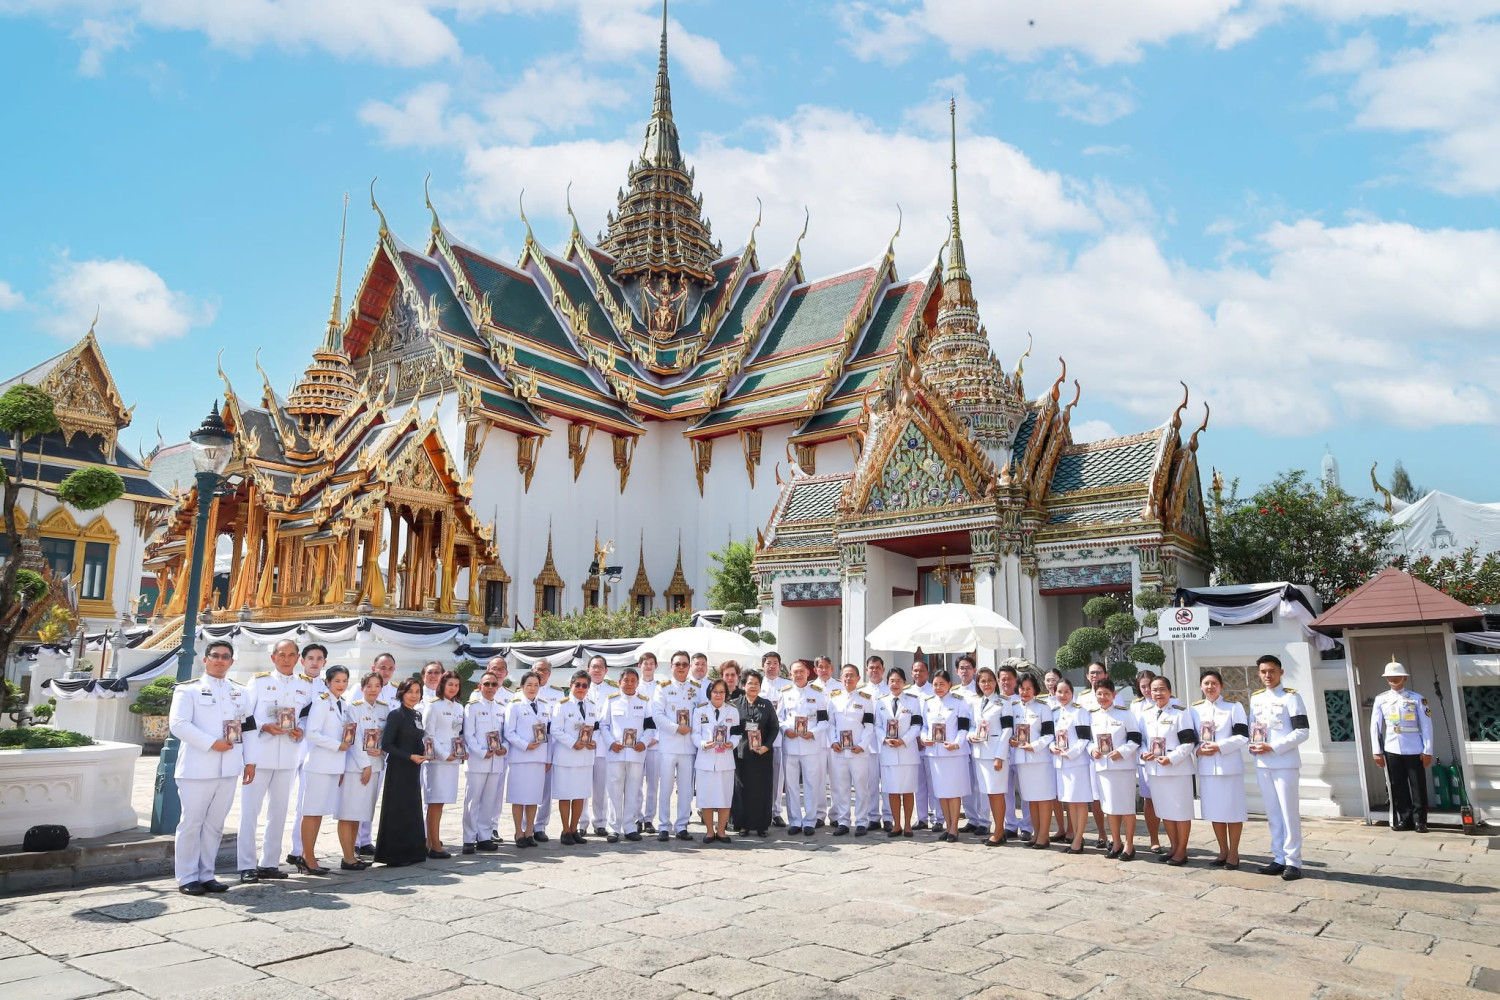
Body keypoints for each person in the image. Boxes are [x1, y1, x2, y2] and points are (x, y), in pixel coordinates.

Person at [169, 640, 248, 895]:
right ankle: (187, 877)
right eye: (215, 656)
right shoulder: (188, 690)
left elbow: (247, 727)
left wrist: (250, 761)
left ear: (231, 662)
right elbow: (179, 725)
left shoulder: (239, 692)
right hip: (197, 767)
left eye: (225, 657)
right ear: (205, 659)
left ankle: (207, 874)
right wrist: (211, 743)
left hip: (228, 768)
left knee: (215, 825)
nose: (220, 660)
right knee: (191, 823)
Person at [238, 638, 312, 883]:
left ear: (297, 658)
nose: (287, 659)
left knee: (279, 812)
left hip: (288, 755)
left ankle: (269, 862)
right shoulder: (260, 682)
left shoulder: (305, 685)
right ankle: (247, 865)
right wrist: (264, 726)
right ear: (273, 657)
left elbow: (304, 717)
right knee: (250, 812)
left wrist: (300, 729)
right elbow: (245, 717)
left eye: (292, 655)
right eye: (282, 655)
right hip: (259, 754)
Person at [1249, 654, 1310, 880]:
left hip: (1284, 762)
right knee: (1273, 813)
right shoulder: (1256, 699)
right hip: (1263, 763)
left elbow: (1302, 731)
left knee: (1288, 812)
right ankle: (1278, 858)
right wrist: (1253, 746)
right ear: (1259, 673)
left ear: (1281, 672)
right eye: (1263, 671)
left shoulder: (1291, 698)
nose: (1267, 675)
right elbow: (1252, 728)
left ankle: (1293, 861)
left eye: (1272, 671)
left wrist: (1273, 747)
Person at [297, 665, 352, 876]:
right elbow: (311, 733)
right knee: (311, 811)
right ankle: (307, 857)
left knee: (319, 813)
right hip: (319, 765)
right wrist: (337, 745)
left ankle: (309, 854)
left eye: (344, 681)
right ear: (327, 682)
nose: (341, 685)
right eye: (337, 681)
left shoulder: (343, 704)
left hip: (334, 765)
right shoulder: (321, 702)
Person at [1370, 658, 1434, 833]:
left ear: (1404, 678)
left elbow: (1427, 726)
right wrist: (1377, 751)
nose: (1393, 679)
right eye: (1390, 676)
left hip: (1414, 747)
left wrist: (1427, 750)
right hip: (1391, 747)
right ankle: (1405, 819)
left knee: (1417, 785)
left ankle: (1420, 820)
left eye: (1397, 676)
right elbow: (1375, 726)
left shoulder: (1417, 699)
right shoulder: (1381, 699)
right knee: (1397, 785)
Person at [1140, 676, 1198, 866]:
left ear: (1170, 691)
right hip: (1155, 771)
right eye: (1154, 690)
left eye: (1162, 689)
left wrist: (1171, 758)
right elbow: (1140, 741)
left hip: (1177, 771)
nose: (1158, 693)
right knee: (1165, 811)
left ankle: (1182, 850)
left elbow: (1189, 742)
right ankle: (1173, 847)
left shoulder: (1180, 713)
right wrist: (1143, 753)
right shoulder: (1146, 714)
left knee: (1180, 812)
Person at [1193, 669, 1248, 867]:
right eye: (1206, 683)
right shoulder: (1194, 710)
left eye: (1214, 683)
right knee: (1215, 812)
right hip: (1208, 769)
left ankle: (1234, 853)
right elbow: (1190, 739)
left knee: (1233, 812)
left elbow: (1242, 736)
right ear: (1201, 686)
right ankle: (1222, 851)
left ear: (1221, 686)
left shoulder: (1234, 707)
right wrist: (1198, 750)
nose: (1210, 687)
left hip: (1229, 768)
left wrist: (1220, 746)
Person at [375, 678, 429, 867]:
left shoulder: (417, 715)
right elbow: (387, 744)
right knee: (397, 809)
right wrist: (409, 756)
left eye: (417, 691)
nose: (414, 695)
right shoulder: (396, 715)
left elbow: (418, 740)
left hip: (414, 767)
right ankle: (394, 854)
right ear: (401, 693)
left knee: (411, 808)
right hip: (399, 767)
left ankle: (412, 851)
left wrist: (424, 752)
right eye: (410, 691)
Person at [337, 672, 388, 870]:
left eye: (377, 686)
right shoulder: (353, 708)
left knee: (359, 812)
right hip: (356, 768)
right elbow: (354, 738)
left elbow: (386, 735)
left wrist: (382, 749)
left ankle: (353, 855)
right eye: (369, 686)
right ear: (362, 688)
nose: (373, 689)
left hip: (376, 766)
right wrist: (364, 764)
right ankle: (347, 857)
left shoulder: (384, 709)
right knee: (348, 812)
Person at [1087, 678, 1140, 860]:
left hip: (1122, 767)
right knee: (1110, 807)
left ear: (1114, 695)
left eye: (1106, 694)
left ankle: (1129, 845)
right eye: (1099, 694)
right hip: (1103, 767)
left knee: (1126, 808)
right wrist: (1091, 749)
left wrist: (1122, 751)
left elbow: (1135, 740)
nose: (1103, 697)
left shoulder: (1125, 714)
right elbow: (1087, 741)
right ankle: (1116, 843)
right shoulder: (1092, 716)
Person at [287, 642, 329, 865]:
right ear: (302, 661)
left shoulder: (327, 687)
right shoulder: (292, 683)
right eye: (310, 658)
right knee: (282, 799)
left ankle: (299, 848)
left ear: (324, 662)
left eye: (319, 658)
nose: (314, 662)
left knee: (306, 800)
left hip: (314, 747)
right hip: (289, 743)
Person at [652, 651, 700, 841]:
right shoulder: (662, 688)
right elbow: (657, 714)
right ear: (671, 666)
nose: (681, 667)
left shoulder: (696, 688)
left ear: (689, 667)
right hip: (669, 744)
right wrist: (675, 728)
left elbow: (701, 714)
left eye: (684, 664)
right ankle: (664, 825)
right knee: (665, 787)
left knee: (686, 789)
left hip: (688, 746)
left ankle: (681, 825)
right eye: (677, 664)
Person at [352, 653, 397, 856]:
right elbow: (352, 724)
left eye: (389, 668)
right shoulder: (357, 690)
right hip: (360, 756)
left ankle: (365, 839)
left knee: (372, 798)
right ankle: (352, 840)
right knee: (357, 798)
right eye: (382, 667)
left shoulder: (396, 692)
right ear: (373, 667)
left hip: (380, 756)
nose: (385, 672)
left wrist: (385, 747)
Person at [603, 666, 654, 842]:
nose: (630, 684)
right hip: (616, 753)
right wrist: (610, 742)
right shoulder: (611, 701)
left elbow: (650, 727)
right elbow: (603, 725)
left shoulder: (645, 701)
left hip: (636, 753)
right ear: (619, 682)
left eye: (633, 681)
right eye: (626, 680)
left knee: (633, 790)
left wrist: (644, 742)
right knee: (614, 791)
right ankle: (613, 828)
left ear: (638, 683)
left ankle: (630, 827)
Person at [919, 669, 971, 842]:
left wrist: (957, 743)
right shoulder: (928, 702)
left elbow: (964, 727)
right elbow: (924, 727)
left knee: (953, 791)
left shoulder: (959, 702)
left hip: (954, 753)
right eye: (935, 684)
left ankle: (954, 828)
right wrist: (925, 738)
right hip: (935, 753)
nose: (938, 687)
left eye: (942, 684)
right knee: (941, 791)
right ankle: (948, 826)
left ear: (950, 684)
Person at [779, 659, 830, 836]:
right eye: (795, 672)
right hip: (791, 745)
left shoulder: (818, 693)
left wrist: (814, 732)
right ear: (790, 674)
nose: (798, 674)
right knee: (792, 785)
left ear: (808, 673)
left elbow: (824, 720)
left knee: (811, 784)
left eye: (801, 671)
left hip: (811, 746)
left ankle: (810, 820)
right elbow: (779, 717)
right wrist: (786, 729)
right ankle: (794, 821)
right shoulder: (785, 693)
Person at [827, 663, 877, 836]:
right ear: (841, 678)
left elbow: (870, 726)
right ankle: (843, 821)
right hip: (839, 751)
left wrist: (862, 745)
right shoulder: (833, 698)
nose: (848, 679)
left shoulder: (865, 699)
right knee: (841, 788)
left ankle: (862, 821)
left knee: (861, 787)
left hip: (858, 751)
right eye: (845, 675)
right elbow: (830, 724)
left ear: (858, 678)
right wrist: (833, 741)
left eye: (851, 675)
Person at [461, 671, 508, 854]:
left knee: (489, 801)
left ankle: (484, 837)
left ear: (498, 687)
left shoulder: (500, 708)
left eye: (493, 685)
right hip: (478, 761)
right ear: (480, 687)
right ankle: (468, 838)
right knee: (472, 801)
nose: (490, 688)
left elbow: (504, 734)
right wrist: (482, 753)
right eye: (486, 684)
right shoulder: (472, 707)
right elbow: (468, 735)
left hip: (496, 761)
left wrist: (503, 748)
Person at [550, 670, 599, 845]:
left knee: (580, 795)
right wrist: (572, 743)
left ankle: (574, 828)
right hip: (566, 756)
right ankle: (565, 830)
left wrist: (594, 742)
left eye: (584, 685)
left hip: (585, 757)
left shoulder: (592, 706)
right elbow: (555, 730)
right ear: (571, 685)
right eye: (577, 684)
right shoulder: (561, 705)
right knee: (565, 795)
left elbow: (597, 729)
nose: (581, 688)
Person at [731, 668, 780, 837]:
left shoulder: (766, 704)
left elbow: (774, 727)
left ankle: (761, 826)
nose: (753, 686)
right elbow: (731, 728)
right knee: (742, 789)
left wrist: (766, 745)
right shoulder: (735, 704)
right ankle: (743, 825)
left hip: (763, 755)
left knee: (762, 790)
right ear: (743, 685)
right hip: (742, 754)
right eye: (750, 683)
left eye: (756, 683)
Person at [505, 670, 551, 847]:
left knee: (533, 797)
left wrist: (547, 758)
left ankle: (529, 831)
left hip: (538, 758)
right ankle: (518, 832)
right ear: (522, 686)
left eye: (536, 685)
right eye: (529, 685)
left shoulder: (545, 706)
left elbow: (548, 735)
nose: (533, 688)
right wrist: (525, 744)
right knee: (518, 797)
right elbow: (509, 732)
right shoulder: (514, 705)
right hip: (520, 757)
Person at [422, 670, 465, 858]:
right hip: (438, 762)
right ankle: (433, 844)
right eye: (450, 685)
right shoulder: (434, 706)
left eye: (456, 685)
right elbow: (428, 735)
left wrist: (461, 752)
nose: (453, 688)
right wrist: (444, 754)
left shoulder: (459, 708)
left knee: (442, 802)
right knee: (435, 802)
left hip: (453, 761)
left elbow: (457, 734)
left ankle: (431, 841)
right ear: (442, 685)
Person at [1010, 674, 1056, 848]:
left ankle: (1044, 835)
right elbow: (1010, 732)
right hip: (1022, 759)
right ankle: (1036, 834)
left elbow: (1048, 734)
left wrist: (1034, 746)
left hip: (1040, 759)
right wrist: (1012, 741)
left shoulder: (1043, 708)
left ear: (1035, 689)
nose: (1025, 692)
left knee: (1043, 798)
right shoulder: (1014, 708)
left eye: (1029, 688)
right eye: (1022, 688)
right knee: (1031, 799)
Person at [1050, 678, 1095, 854]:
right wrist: (1053, 747)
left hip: (1076, 763)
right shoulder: (1054, 713)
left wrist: (1071, 753)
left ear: (1072, 693)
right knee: (1070, 802)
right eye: (1059, 692)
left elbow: (1084, 738)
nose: (1063, 695)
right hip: (1060, 762)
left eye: (1066, 692)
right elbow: (1051, 737)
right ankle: (1075, 836)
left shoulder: (1080, 712)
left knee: (1079, 801)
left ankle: (1078, 839)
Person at [877, 667, 922, 837]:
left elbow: (917, 725)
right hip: (888, 752)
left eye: (898, 681)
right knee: (892, 790)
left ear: (904, 683)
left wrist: (904, 740)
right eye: (892, 681)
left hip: (907, 751)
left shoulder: (913, 701)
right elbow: (877, 726)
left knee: (908, 790)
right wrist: (884, 739)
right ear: (887, 683)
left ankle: (908, 825)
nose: (895, 684)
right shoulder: (881, 702)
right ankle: (896, 824)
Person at [970, 667, 1012, 847]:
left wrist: (999, 756)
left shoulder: (1004, 702)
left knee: (997, 794)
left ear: (995, 682)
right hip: (980, 753)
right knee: (989, 793)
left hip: (995, 754)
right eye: (982, 681)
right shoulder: (976, 702)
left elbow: (1007, 730)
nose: (986, 684)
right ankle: (998, 830)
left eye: (989, 680)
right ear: (978, 684)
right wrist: (970, 735)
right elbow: (973, 725)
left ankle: (999, 831)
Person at [694, 678, 740, 843]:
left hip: (725, 759)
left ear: (726, 694)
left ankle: (721, 831)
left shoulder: (733, 711)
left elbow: (737, 733)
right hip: (705, 759)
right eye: (715, 692)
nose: (718, 695)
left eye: (722, 692)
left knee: (725, 796)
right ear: (710, 693)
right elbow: (695, 733)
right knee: (705, 797)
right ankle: (709, 831)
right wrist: (702, 744)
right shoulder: (700, 710)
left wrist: (732, 743)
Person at [1074, 660, 1113, 849]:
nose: (1095, 676)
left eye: (1099, 672)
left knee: (1112, 796)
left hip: (1111, 754)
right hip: (1090, 753)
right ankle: (1102, 834)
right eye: (1092, 673)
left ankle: (1116, 835)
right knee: (1095, 796)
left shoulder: (1114, 695)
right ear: (1087, 677)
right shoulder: (1081, 698)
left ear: (1105, 675)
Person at [530, 658, 565, 842]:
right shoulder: (523, 692)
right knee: (528, 786)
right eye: (537, 669)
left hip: (550, 742)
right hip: (528, 745)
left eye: (544, 670)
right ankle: (525, 826)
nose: (540, 673)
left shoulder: (557, 694)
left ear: (549, 674)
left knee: (546, 788)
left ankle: (540, 826)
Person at [996, 662, 1032, 841]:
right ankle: (1010, 824)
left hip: (1021, 751)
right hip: (1002, 752)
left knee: (1025, 790)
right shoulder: (996, 702)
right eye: (1002, 679)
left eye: (1009, 679)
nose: (1006, 682)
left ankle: (1027, 826)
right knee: (1005, 791)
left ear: (1015, 680)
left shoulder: (1022, 701)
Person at [1132, 669, 1164, 854]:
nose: (1146, 690)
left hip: (1167, 760)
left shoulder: (1173, 703)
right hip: (1145, 760)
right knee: (1149, 800)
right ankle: (1154, 839)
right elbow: (1134, 734)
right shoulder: (1136, 707)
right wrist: (1143, 752)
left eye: (1149, 685)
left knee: (1168, 800)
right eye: (1142, 686)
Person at [583, 655, 615, 837]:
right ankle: (582, 822)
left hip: (603, 743)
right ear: (588, 669)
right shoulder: (580, 688)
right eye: (593, 667)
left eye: (600, 667)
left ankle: (600, 822)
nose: (596, 670)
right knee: (583, 785)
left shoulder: (612, 690)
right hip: (583, 743)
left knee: (601, 786)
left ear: (606, 670)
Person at [760, 651, 792, 828]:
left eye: (775, 663)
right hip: (759, 737)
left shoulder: (787, 685)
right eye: (768, 663)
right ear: (763, 665)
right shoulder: (757, 683)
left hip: (778, 737)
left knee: (778, 777)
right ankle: (761, 810)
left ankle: (776, 811)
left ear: (780, 666)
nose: (771, 666)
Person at [636, 652, 661, 833]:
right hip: (636, 742)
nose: (648, 666)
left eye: (651, 663)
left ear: (656, 666)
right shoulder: (633, 687)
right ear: (640, 666)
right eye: (645, 663)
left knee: (653, 783)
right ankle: (636, 817)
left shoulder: (661, 687)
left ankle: (649, 818)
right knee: (635, 782)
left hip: (656, 742)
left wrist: (656, 738)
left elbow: (663, 714)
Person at [910, 659, 937, 830]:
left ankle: (936, 818)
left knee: (934, 783)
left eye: (921, 670)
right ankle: (921, 817)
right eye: (915, 670)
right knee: (918, 784)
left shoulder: (934, 690)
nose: (918, 673)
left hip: (931, 743)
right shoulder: (907, 692)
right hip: (912, 743)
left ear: (927, 673)